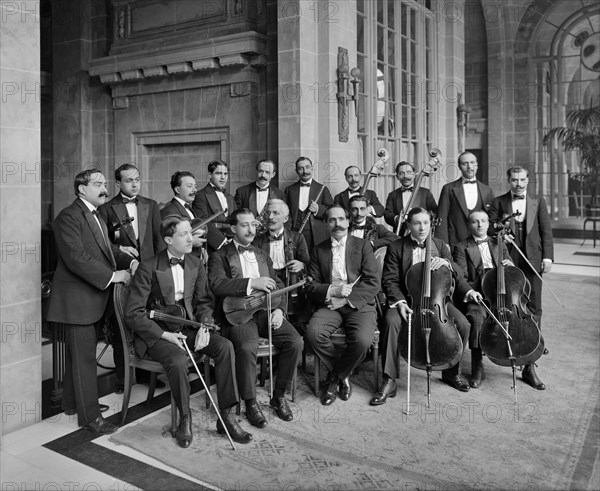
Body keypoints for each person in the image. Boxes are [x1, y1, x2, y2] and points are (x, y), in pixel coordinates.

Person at [125, 215, 253, 448]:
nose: (190, 238)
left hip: (190, 326)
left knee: (224, 347)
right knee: (177, 360)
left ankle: (227, 415)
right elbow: (133, 313)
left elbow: (204, 302)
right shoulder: (148, 266)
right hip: (159, 332)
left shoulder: (195, 262)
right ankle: (185, 418)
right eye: (183, 234)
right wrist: (165, 335)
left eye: (189, 232)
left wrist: (205, 325)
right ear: (168, 239)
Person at [47, 169, 137, 434]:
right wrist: (114, 275)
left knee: (80, 355)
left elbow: (106, 252)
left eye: (105, 183)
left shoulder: (95, 215)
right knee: (85, 359)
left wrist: (129, 261)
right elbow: (76, 257)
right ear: (81, 188)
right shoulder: (68, 216)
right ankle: (91, 417)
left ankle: (72, 403)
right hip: (77, 302)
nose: (104, 188)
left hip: (93, 298)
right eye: (97, 184)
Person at [208, 208, 304, 427]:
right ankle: (250, 402)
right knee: (247, 346)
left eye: (253, 224)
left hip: (265, 310)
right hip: (238, 314)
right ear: (233, 229)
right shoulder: (219, 256)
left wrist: (279, 310)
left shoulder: (261, 253)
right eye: (244, 225)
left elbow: (279, 284)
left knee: (295, 341)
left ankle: (278, 395)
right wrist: (251, 283)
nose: (251, 229)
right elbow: (217, 284)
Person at [371, 207, 472, 406]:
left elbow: (459, 274)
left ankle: (451, 372)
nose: (422, 227)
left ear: (431, 224)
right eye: (417, 223)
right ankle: (389, 379)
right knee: (391, 323)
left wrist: (447, 263)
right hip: (407, 300)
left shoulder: (441, 245)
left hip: (437, 301)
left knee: (463, 325)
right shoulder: (397, 247)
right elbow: (390, 280)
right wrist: (399, 302)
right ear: (408, 225)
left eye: (426, 223)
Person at [98, 163, 165, 394]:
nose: (134, 184)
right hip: (125, 276)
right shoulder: (107, 208)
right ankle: (122, 378)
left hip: (149, 276)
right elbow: (104, 246)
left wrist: (158, 274)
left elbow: (158, 241)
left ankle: (148, 373)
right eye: (129, 180)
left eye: (137, 179)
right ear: (118, 183)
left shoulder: (151, 205)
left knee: (148, 322)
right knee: (121, 326)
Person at [304, 205, 380, 406]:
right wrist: (333, 291)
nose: (337, 224)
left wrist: (346, 299)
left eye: (341, 219)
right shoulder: (318, 249)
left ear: (348, 221)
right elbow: (311, 286)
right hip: (330, 303)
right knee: (313, 334)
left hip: (359, 304)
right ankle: (343, 374)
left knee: (363, 341)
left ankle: (333, 378)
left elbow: (373, 282)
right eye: (332, 220)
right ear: (326, 223)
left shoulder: (362, 246)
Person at [488, 166, 554, 390]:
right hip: (509, 260)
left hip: (533, 260)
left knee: (534, 306)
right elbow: (489, 228)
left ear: (528, 180)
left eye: (522, 179)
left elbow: (546, 231)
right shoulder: (499, 202)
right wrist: (500, 234)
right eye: (514, 180)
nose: (518, 183)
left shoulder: (538, 201)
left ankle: (531, 357)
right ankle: (512, 345)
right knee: (512, 305)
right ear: (508, 180)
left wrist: (548, 258)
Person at [452, 209, 513, 388]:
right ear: (469, 225)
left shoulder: (499, 242)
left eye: (483, 221)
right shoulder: (461, 247)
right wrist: (471, 292)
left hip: (499, 293)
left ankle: (527, 364)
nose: (479, 225)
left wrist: (509, 266)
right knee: (476, 317)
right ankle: (477, 365)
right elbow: (460, 277)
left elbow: (509, 264)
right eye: (475, 221)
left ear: (489, 223)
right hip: (478, 295)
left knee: (521, 314)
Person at [253, 199, 311, 326]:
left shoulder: (297, 238)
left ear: (285, 218)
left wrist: (301, 265)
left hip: (292, 283)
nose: (271, 217)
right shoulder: (257, 241)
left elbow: (308, 263)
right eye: (268, 213)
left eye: (275, 213)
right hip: (269, 285)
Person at [435, 151, 495, 248]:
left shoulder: (487, 190)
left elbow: (492, 218)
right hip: (455, 242)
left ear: (477, 165)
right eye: (464, 163)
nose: (469, 167)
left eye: (472, 163)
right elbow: (442, 217)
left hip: (481, 243)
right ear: (459, 166)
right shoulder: (448, 189)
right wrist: (442, 243)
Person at [284, 156, 334, 252]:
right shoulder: (289, 190)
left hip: (316, 235)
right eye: (300, 168)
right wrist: (287, 232)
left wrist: (318, 209)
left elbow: (331, 210)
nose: (305, 171)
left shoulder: (322, 189)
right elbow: (285, 213)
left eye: (307, 167)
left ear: (312, 168)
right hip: (294, 234)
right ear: (296, 171)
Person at [160, 171, 207, 259]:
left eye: (195, 186)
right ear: (177, 189)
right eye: (189, 186)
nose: (194, 190)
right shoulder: (169, 211)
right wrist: (191, 242)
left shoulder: (189, 208)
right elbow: (165, 242)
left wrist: (202, 250)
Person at [193, 160, 236, 253]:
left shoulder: (230, 197)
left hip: (232, 245)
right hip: (212, 247)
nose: (223, 177)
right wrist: (222, 242)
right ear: (210, 175)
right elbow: (202, 222)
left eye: (225, 174)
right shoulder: (200, 195)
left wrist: (234, 241)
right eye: (218, 173)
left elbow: (235, 221)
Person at [384, 161, 437, 233]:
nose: (405, 176)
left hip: (422, 234)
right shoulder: (392, 195)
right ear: (397, 177)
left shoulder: (425, 193)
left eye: (409, 172)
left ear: (414, 174)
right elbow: (387, 214)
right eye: (401, 173)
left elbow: (434, 211)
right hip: (401, 236)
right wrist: (397, 218)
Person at [234, 159, 285, 229]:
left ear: (273, 174)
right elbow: (235, 216)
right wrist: (249, 221)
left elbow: (284, 218)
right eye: (260, 171)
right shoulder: (242, 192)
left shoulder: (279, 194)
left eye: (267, 172)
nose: (263, 175)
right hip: (247, 235)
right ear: (256, 172)